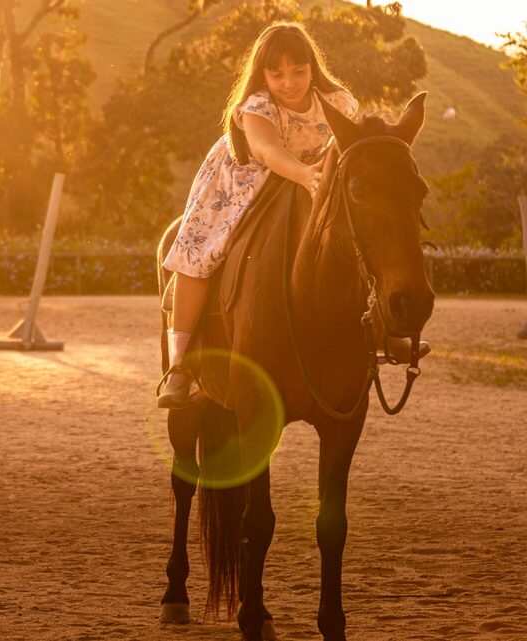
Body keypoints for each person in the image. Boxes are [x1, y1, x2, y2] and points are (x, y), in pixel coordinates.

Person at [157, 22, 428, 409]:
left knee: (355, 240)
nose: (289, 82)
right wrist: (304, 174)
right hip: (245, 180)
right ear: (263, 74)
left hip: (314, 182)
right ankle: (180, 365)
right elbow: (266, 151)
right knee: (199, 251)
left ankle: (385, 329)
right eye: (277, 73)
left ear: (312, 68)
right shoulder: (258, 105)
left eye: (299, 71)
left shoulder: (336, 101)